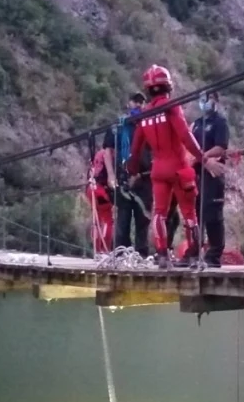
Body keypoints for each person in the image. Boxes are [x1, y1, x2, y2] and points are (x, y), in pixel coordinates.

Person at [126, 64, 205, 269]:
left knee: (159, 213)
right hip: (179, 169)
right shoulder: (172, 107)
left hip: (158, 170)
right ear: (168, 86)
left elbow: (135, 149)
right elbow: (186, 136)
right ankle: (194, 255)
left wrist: (132, 170)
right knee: (189, 213)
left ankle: (162, 254)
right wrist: (203, 158)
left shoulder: (144, 115)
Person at [105, 93, 152, 256]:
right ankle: (120, 254)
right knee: (122, 222)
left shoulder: (149, 125)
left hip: (144, 180)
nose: (138, 105)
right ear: (129, 103)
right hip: (122, 179)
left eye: (141, 102)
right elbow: (108, 151)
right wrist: (110, 175)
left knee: (143, 221)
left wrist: (141, 174)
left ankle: (142, 255)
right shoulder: (118, 126)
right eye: (135, 101)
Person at [186, 91, 229, 267]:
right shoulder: (196, 124)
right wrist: (199, 159)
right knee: (195, 214)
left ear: (216, 101)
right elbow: (187, 147)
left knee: (213, 214)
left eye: (208, 99)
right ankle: (194, 251)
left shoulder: (220, 122)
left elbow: (221, 147)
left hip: (213, 175)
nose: (205, 103)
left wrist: (200, 157)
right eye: (202, 100)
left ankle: (214, 254)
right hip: (195, 174)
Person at [86, 147, 115, 254]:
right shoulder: (110, 155)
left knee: (96, 220)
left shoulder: (98, 154)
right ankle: (104, 249)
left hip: (91, 188)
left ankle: (96, 250)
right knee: (108, 220)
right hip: (102, 190)